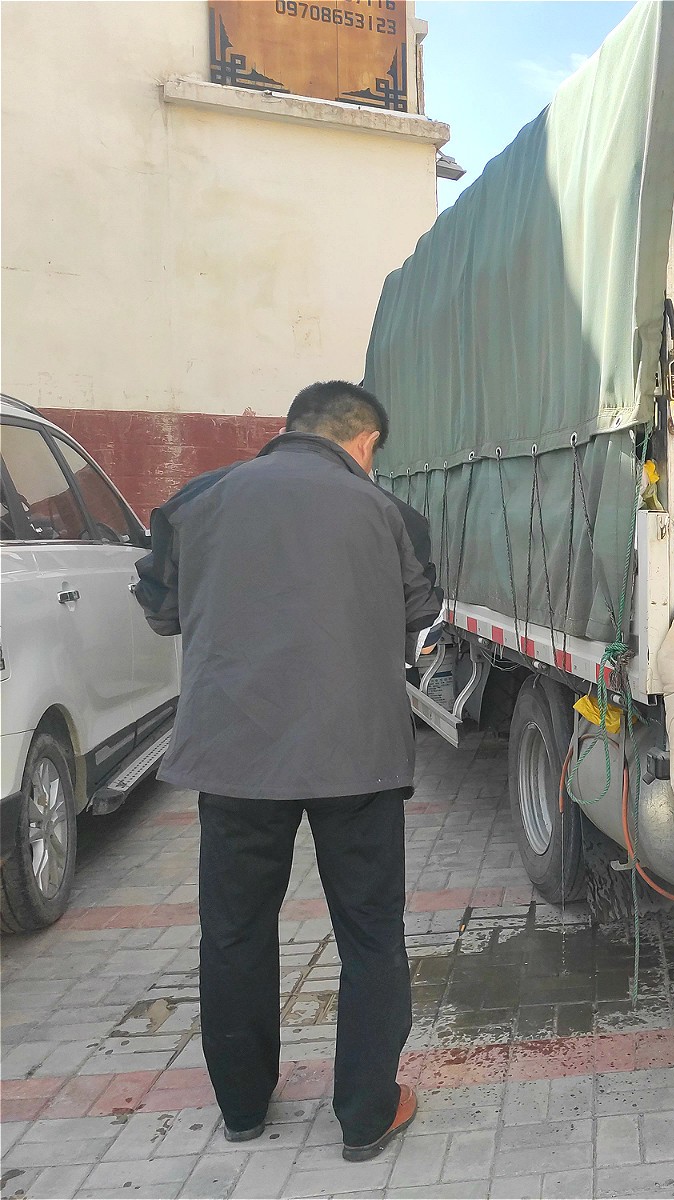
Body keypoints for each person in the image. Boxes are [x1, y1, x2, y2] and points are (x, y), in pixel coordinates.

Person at [135, 381, 441, 1160]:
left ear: (291, 428)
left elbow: (161, 610)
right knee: (369, 934)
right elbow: (419, 609)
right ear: (365, 444)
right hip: (358, 759)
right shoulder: (390, 514)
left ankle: (242, 1107)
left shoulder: (195, 502)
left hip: (235, 754)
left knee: (235, 930)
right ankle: (366, 1115)